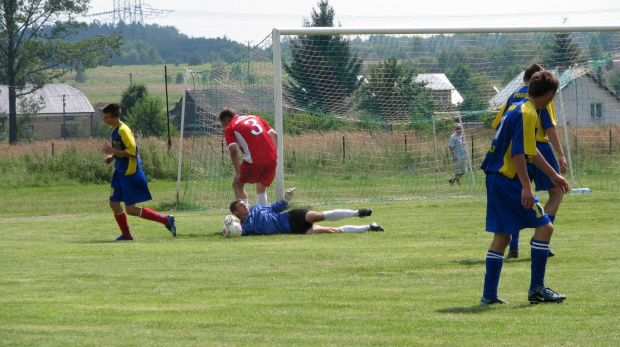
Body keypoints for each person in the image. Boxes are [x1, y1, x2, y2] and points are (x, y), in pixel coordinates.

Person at [479, 71, 570, 305]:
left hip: (494, 176)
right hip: (507, 179)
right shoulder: (528, 113)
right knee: (545, 228)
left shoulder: (519, 107)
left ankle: (489, 296)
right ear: (550, 94)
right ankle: (537, 290)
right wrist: (526, 186)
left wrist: (554, 175)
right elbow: (519, 153)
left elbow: (530, 149)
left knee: (503, 235)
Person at [493, 64, 567, 259]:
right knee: (554, 196)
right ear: (549, 94)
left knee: (515, 209)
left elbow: (499, 124)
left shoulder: (514, 98)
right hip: (535, 149)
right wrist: (561, 154)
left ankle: (514, 247)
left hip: (504, 160)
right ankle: (540, 240)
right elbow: (548, 128)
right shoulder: (534, 106)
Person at [101, 103, 176, 241]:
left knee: (131, 210)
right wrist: (112, 157)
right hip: (119, 172)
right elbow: (122, 149)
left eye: (106, 117)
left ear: (115, 117)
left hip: (130, 173)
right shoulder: (114, 129)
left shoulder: (123, 130)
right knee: (114, 203)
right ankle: (126, 235)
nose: (104, 120)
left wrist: (112, 151)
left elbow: (133, 152)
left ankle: (166, 219)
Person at [228, 188, 384, 236]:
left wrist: (287, 199)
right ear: (236, 212)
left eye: (244, 203)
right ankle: (369, 227)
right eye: (241, 205)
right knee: (331, 231)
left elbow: (276, 207)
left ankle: (358, 212)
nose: (245, 205)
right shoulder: (245, 227)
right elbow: (236, 233)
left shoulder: (257, 208)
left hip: (291, 216)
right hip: (293, 230)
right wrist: (228, 228)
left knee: (320, 216)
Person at [219, 107, 278, 206]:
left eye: (223, 124)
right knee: (261, 186)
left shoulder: (231, 126)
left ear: (226, 120)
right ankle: (261, 216)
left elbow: (233, 150)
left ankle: (246, 216)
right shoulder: (255, 117)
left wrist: (238, 172)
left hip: (254, 160)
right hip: (272, 158)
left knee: (237, 184)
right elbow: (274, 135)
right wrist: (274, 154)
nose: (224, 126)